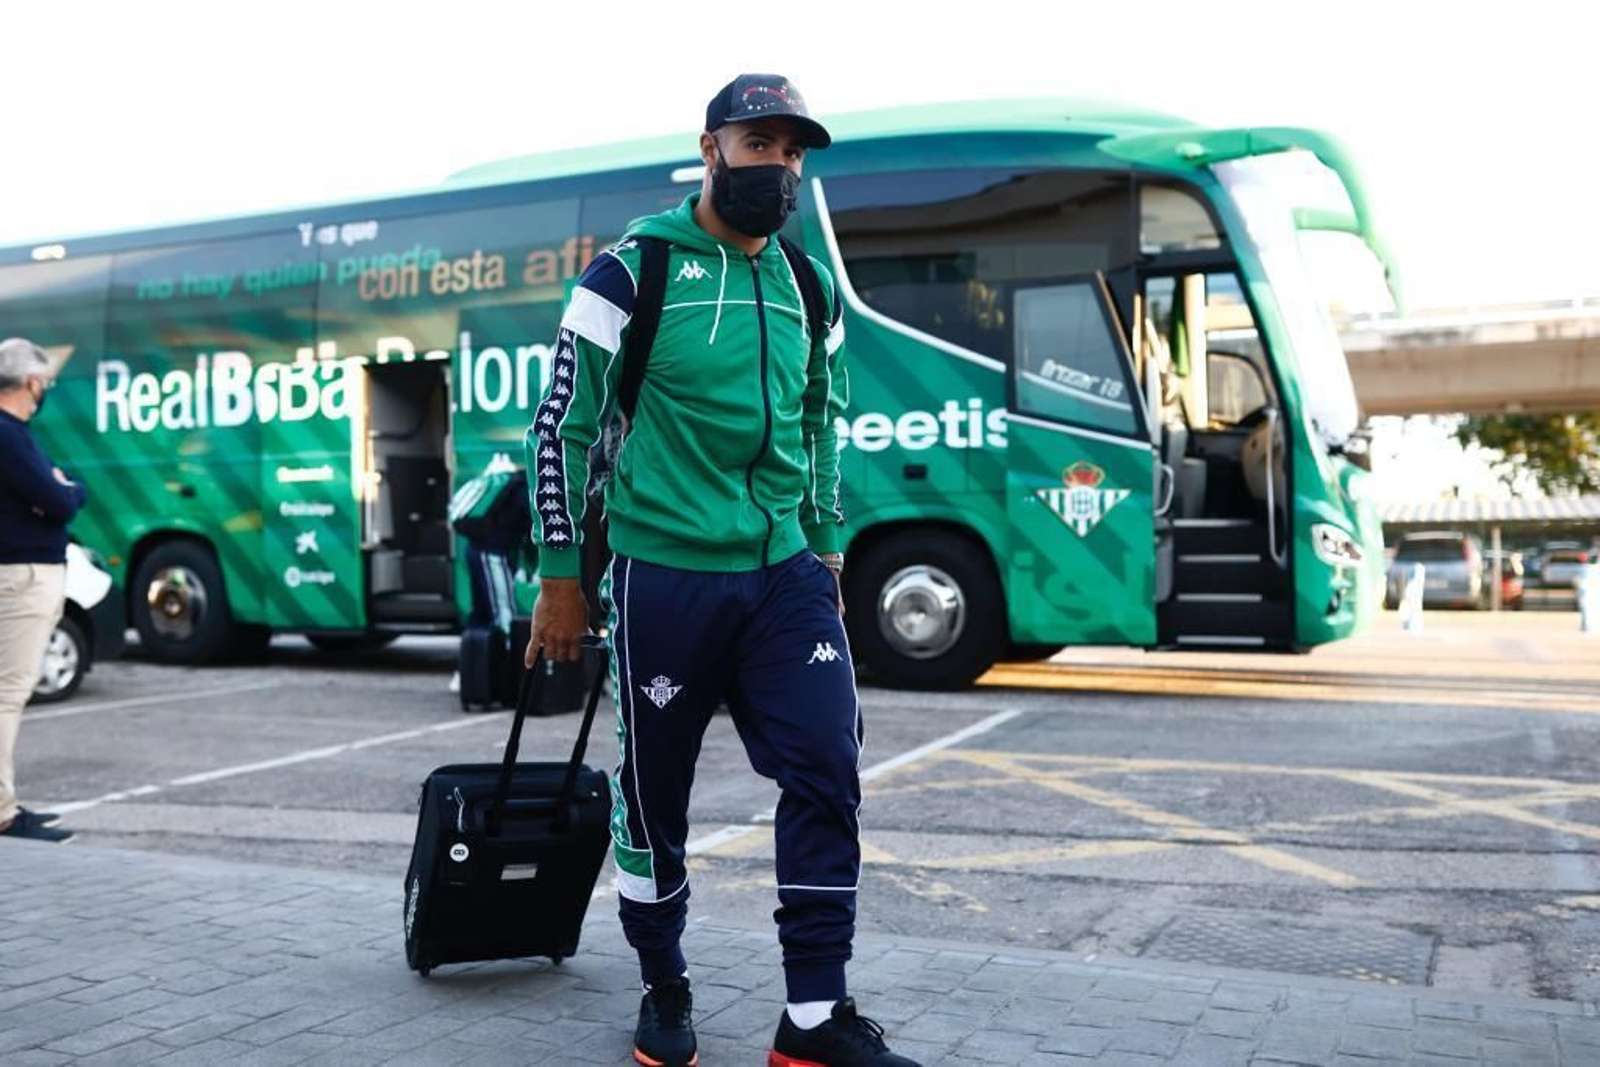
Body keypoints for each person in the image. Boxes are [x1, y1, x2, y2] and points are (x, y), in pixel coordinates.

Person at [525, 75, 918, 1067]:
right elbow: (560, 424)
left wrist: (825, 547)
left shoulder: (805, 280)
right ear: (710, 147)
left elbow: (819, 415)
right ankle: (663, 981)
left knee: (827, 765)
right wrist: (560, 573)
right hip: (664, 571)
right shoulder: (631, 271)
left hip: (783, 568)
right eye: (759, 145)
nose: (777, 167)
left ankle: (815, 1017)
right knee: (655, 794)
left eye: (792, 152)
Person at [0, 338, 83, 844]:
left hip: (17, 571)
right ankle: (3, 811)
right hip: (22, 576)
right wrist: (66, 489)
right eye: (45, 382)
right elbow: (59, 497)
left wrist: (57, 491)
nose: (45, 390)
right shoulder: (9, 436)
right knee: (8, 692)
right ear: (32, 383)